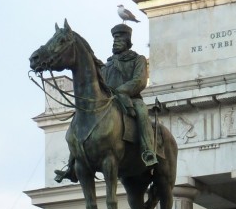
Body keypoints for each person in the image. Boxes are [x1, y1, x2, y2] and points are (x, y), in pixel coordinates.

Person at [55, 22, 158, 182]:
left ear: (127, 41)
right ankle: (72, 164)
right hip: (109, 101)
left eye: (119, 38)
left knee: (142, 113)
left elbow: (139, 80)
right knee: (80, 119)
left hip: (129, 98)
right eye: (114, 38)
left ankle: (148, 151)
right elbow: (100, 84)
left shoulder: (137, 59)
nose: (115, 41)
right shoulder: (106, 65)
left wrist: (122, 90)